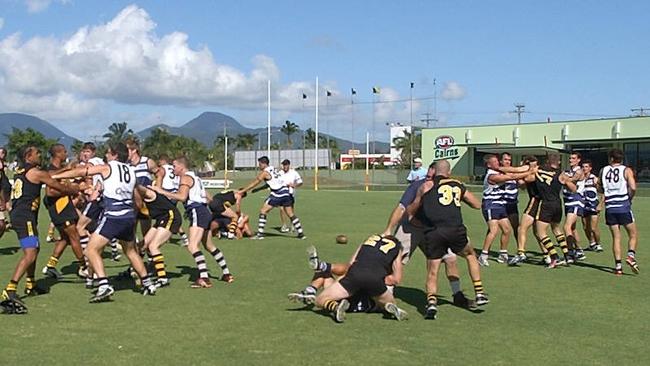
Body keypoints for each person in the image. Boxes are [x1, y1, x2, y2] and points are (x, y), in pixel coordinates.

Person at [52, 142, 158, 302]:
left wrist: (55, 176)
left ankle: (103, 284)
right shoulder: (131, 170)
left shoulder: (107, 167)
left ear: (115, 154)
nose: (106, 156)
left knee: (90, 250)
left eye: (108, 153)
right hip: (128, 216)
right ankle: (147, 283)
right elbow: (137, 194)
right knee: (130, 251)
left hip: (114, 216)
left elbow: (82, 171)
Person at [381, 161, 473, 308]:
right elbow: (401, 208)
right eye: (432, 169)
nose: (433, 173)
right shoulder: (418, 186)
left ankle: (458, 295)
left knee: (451, 259)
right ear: (430, 170)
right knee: (395, 258)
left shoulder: (447, 185)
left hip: (433, 230)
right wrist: (388, 229)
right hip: (411, 228)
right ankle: (386, 295)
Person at [1, 145, 80, 314]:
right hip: (25, 217)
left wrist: (68, 168)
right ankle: (10, 289)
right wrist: (77, 189)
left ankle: (31, 284)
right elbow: (59, 186)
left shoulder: (23, 171)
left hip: (22, 216)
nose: (40, 155)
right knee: (30, 253)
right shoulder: (36, 173)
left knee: (35, 249)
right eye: (37, 153)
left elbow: (51, 174)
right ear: (29, 156)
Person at [407, 159, 488, 319]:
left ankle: (431, 304)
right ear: (448, 172)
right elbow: (476, 204)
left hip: (433, 232)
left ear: (434, 171)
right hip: (455, 230)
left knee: (433, 270)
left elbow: (411, 210)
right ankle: (479, 292)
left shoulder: (426, 186)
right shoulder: (456, 184)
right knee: (470, 255)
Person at [149, 156, 234, 287]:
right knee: (209, 246)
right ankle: (227, 274)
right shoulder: (196, 178)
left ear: (182, 167)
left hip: (197, 211)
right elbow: (207, 196)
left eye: (175, 166)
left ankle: (204, 278)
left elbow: (182, 197)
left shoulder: (185, 178)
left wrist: (161, 191)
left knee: (192, 246)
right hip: (204, 211)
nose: (173, 169)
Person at [314, 234, 408, 323]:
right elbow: (396, 279)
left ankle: (334, 306)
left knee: (319, 300)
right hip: (375, 279)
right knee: (388, 302)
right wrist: (382, 279)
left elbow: (350, 265)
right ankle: (388, 305)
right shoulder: (397, 247)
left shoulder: (369, 239)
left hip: (355, 274)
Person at [40, 144, 87, 281]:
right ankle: (84, 267)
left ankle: (50, 266)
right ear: (58, 153)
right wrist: (72, 189)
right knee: (74, 237)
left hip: (65, 205)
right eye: (65, 151)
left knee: (66, 238)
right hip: (59, 207)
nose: (66, 154)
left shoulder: (59, 169)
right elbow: (50, 192)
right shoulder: (51, 170)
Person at [478, 154, 529, 265]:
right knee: (493, 230)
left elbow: (514, 175)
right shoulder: (491, 176)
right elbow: (510, 177)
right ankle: (483, 255)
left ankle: (503, 254)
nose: (498, 164)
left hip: (500, 205)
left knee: (507, 230)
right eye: (495, 162)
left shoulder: (498, 172)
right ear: (489, 165)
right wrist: (529, 172)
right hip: (490, 205)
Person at [239, 156, 306, 240]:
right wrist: (259, 189)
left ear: (264, 164)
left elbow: (255, 182)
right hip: (286, 192)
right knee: (290, 214)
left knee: (263, 211)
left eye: (259, 164)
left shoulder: (265, 172)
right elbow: (271, 182)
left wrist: (243, 191)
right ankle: (301, 233)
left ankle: (260, 234)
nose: (259, 166)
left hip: (278, 194)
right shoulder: (273, 169)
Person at [598, 149, 638, 275]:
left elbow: (599, 187)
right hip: (623, 206)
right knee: (633, 234)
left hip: (610, 208)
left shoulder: (603, 170)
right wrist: (629, 198)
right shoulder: (626, 170)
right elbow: (633, 187)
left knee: (616, 237)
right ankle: (630, 256)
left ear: (611, 158)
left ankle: (618, 267)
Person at [134, 184, 182, 288]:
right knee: (141, 246)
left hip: (171, 216)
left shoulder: (148, 193)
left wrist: (134, 185)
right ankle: (137, 271)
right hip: (161, 218)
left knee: (153, 246)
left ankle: (162, 278)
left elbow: (140, 189)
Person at [156, 154, 189, 246]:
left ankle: (183, 237)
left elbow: (159, 180)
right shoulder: (174, 168)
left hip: (166, 193)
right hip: (175, 193)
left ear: (163, 161)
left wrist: (158, 191)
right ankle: (167, 235)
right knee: (170, 216)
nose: (158, 163)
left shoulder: (162, 169)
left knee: (168, 216)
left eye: (160, 161)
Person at [562, 152, 586, 261]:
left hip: (576, 200)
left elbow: (572, 180)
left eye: (573, 158)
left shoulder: (579, 171)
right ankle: (579, 251)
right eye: (570, 158)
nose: (571, 160)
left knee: (566, 226)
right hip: (567, 200)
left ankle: (570, 252)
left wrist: (564, 178)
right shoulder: (568, 171)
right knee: (572, 228)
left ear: (578, 160)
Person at [581, 160, 603, 252]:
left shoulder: (594, 179)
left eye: (586, 167)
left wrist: (601, 205)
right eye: (583, 167)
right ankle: (592, 243)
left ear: (590, 168)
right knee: (586, 227)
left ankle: (598, 244)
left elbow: (603, 193)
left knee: (593, 228)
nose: (584, 168)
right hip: (583, 205)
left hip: (593, 205)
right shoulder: (580, 179)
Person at [500, 152, 520, 247]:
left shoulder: (514, 172)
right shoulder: (499, 172)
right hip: (501, 204)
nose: (508, 162)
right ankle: (486, 253)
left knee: (517, 228)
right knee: (495, 229)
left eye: (509, 160)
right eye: (505, 160)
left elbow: (521, 184)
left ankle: (520, 250)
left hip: (512, 204)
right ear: (501, 161)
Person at [278, 159, 303, 233]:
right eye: (284, 165)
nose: (285, 166)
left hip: (290, 193)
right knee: (282, 209)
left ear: (289, 165)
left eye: (286, 165)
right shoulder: (280, 173)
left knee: (290, 210)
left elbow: (300, 182)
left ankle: (293, 225)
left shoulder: (294, 173)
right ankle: (284, 225)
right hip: (281, 193)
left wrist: (293, 185)